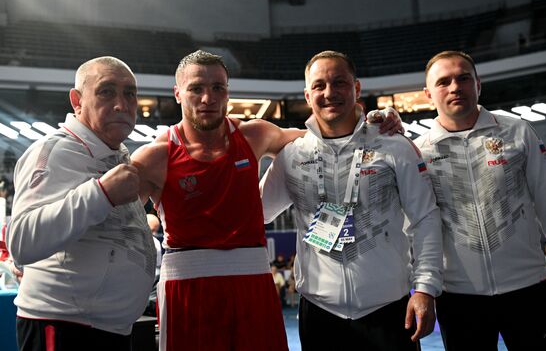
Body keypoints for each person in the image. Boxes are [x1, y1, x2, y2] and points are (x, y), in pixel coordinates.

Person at [131, 50, 403, 351]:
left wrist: (374, 124)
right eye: (196, 88)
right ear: (178, 93)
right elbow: (119, 223)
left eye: (217, 88)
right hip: (187, 285)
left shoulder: (254, 135)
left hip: (253, 281)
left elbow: (326, 136)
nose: (207, 98)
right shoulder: (154, 157)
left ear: (227, 93)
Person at [260, 50, 443, 350]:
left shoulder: (394, 145)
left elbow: (425, 218)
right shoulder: (292, 155)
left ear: (356, 88)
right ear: (308, 95)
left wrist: (425, 288)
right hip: (320, 313)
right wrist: (254, 150)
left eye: (339, 82)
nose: (329, 92)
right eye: (319, 86)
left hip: (387, 308)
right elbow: (259, 212)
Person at [6, 56, 157, 351]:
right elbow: (21, 241)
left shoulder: (114, 155)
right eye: (106, 91)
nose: (121, 104)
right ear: (77, 100)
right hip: (65, 328)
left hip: (107, 331)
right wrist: (101, 193)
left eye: (129, 93)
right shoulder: (54, 151)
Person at [416, 50, 546, 350]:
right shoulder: (418, 151)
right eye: (444, 82)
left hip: (528, 286)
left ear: (478, 84)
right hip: (459, 296)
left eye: (463, 78)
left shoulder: (516, 131)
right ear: (428, 94)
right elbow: (415, 226)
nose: (454, 87)